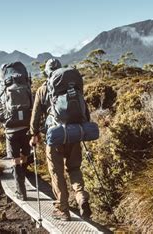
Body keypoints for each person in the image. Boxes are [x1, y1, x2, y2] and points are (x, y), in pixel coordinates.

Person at [29, 59, 91, 221]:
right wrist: (82, 128)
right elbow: (86, 111)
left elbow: (35, 116)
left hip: (55, 137)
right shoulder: (72, 86)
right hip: (75, 134)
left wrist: (34, 134)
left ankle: (62, 209)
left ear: (47, 72)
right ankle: (81, 196)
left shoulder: (43, 90)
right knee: (74, 168)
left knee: (57, 173)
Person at [0, 62, 32, 201]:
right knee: (25, 155)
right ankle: (23, 175)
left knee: (15, 160)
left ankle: (21, 191)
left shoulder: (3, 88)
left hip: (11, 130)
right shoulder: (26, 85)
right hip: (26, 127)